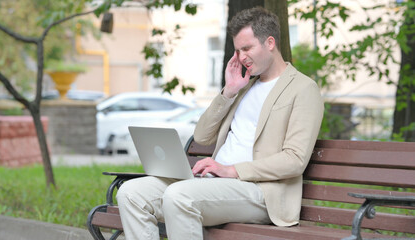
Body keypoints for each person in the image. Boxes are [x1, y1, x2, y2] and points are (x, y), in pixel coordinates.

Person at [116, 7, 324, 240]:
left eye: (247, 48)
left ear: (270, 43)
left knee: (179, 196)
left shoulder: (303, 89)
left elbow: (294, 160)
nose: (241, 56)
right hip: (214, 184)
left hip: (261, 191)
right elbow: (202, 136)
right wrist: (228, 93)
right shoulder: (244, 87)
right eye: (237, 50)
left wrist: (232, 170)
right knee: (131, 192)